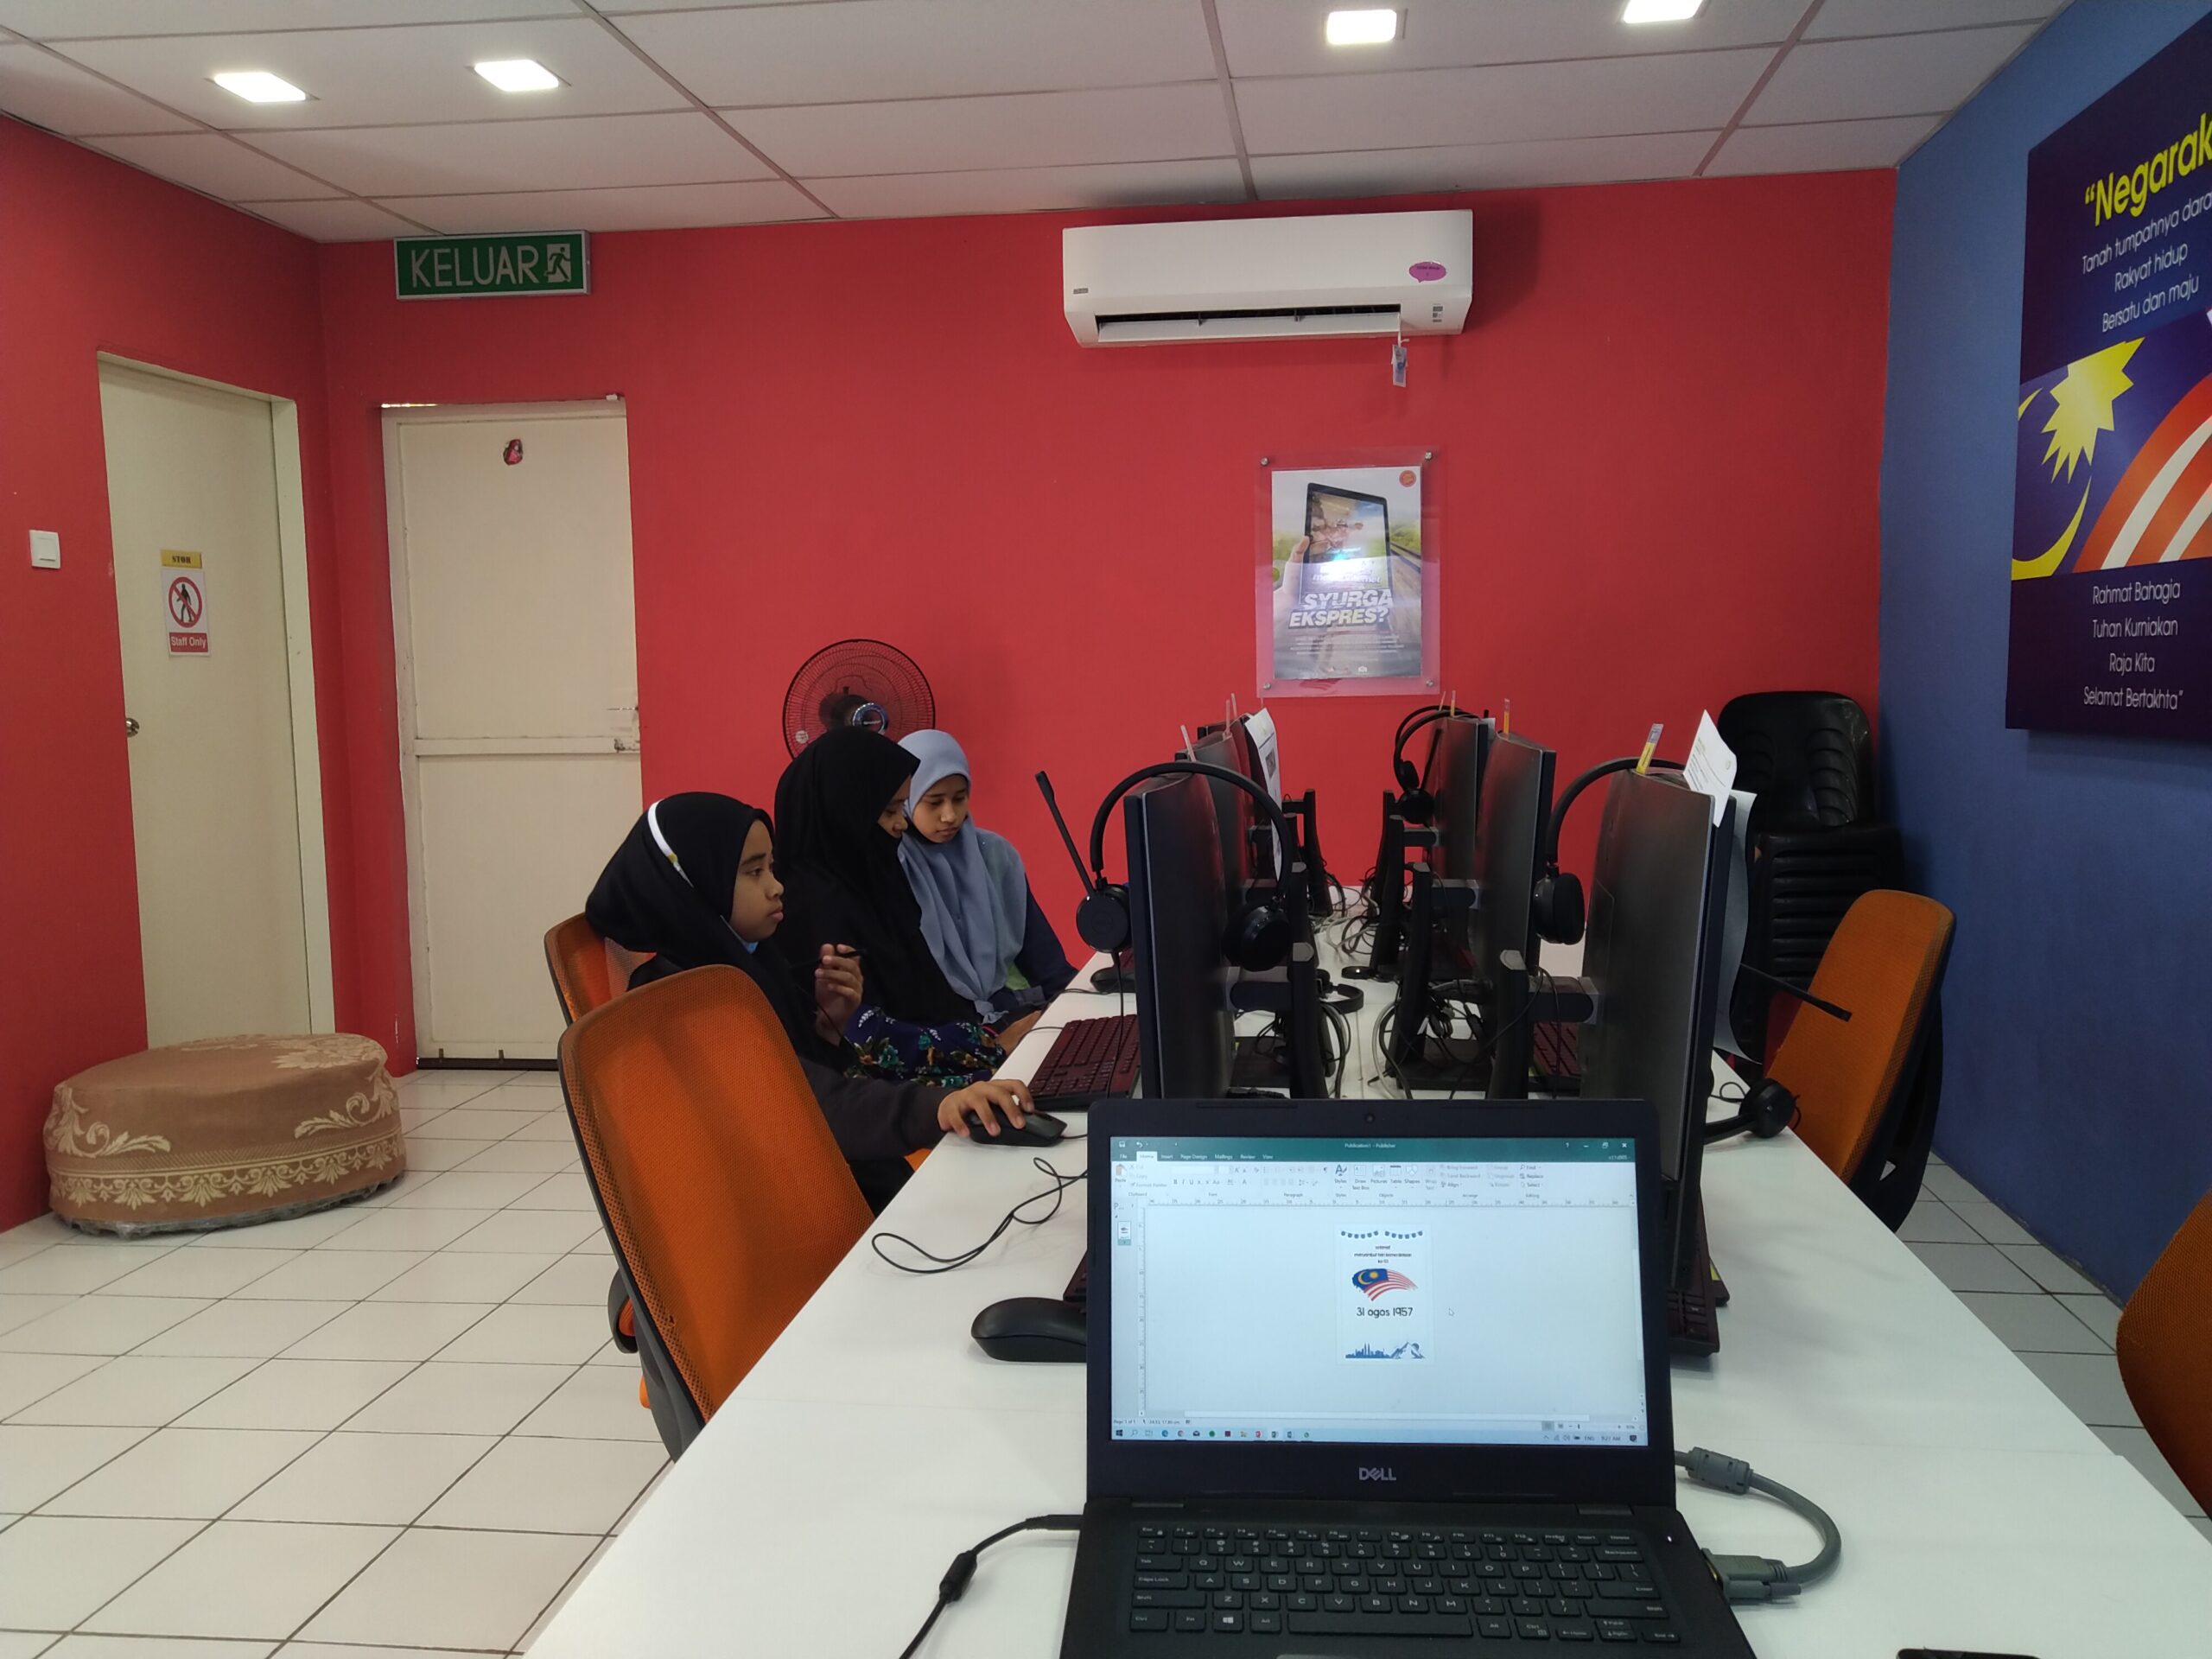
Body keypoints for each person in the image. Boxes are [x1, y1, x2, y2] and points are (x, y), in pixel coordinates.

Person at [584, 792, 1034, 1211]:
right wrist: (938, 1106)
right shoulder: (685, 998)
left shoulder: (743, 964)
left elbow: (801, 1073)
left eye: (771, 867)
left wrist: (828, 1027)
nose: (777, 887)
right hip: (791, 1210)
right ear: (696, 884)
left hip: (820, 1175)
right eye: (754, 872)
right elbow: (801, 1103)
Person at [775, 728, 1036, 1084]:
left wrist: (989, 1041)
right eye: (889, 810)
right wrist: (989, 1052)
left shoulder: (877, 879)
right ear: (846, 813)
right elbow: (862, 1037)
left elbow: (929, 994)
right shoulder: (813, 910)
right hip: (888, 1095)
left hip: (946, 1063)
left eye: (902, 806)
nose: (902, 822)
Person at [899, 729, 1077, 1020]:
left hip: (1009, 1011)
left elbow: (1044, 959)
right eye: (934, 802)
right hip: (942, 1028)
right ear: (906, 799)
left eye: (960, 798)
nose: (950, 815)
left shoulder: (994, 854)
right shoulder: (896, 869)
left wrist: (1077, 1005)